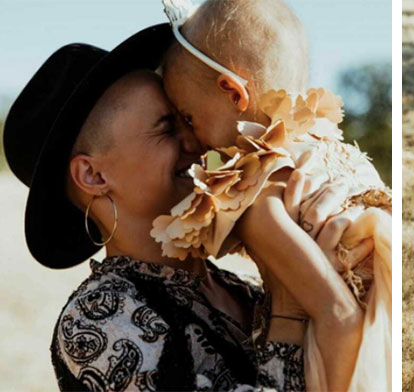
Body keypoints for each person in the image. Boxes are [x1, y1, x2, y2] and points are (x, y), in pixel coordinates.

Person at [3, 24, 365, 391]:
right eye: (167, 127)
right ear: (93, 175)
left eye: (188, 118)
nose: (196, 139)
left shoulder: (236, 286)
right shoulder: (98, 317)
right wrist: (291, 309)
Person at [151, 0, 393, 390]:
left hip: (346, 358)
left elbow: (342, 320)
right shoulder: (330, 148)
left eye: (190, 117)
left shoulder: (262, 197)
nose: (191, 140)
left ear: (232, 92)